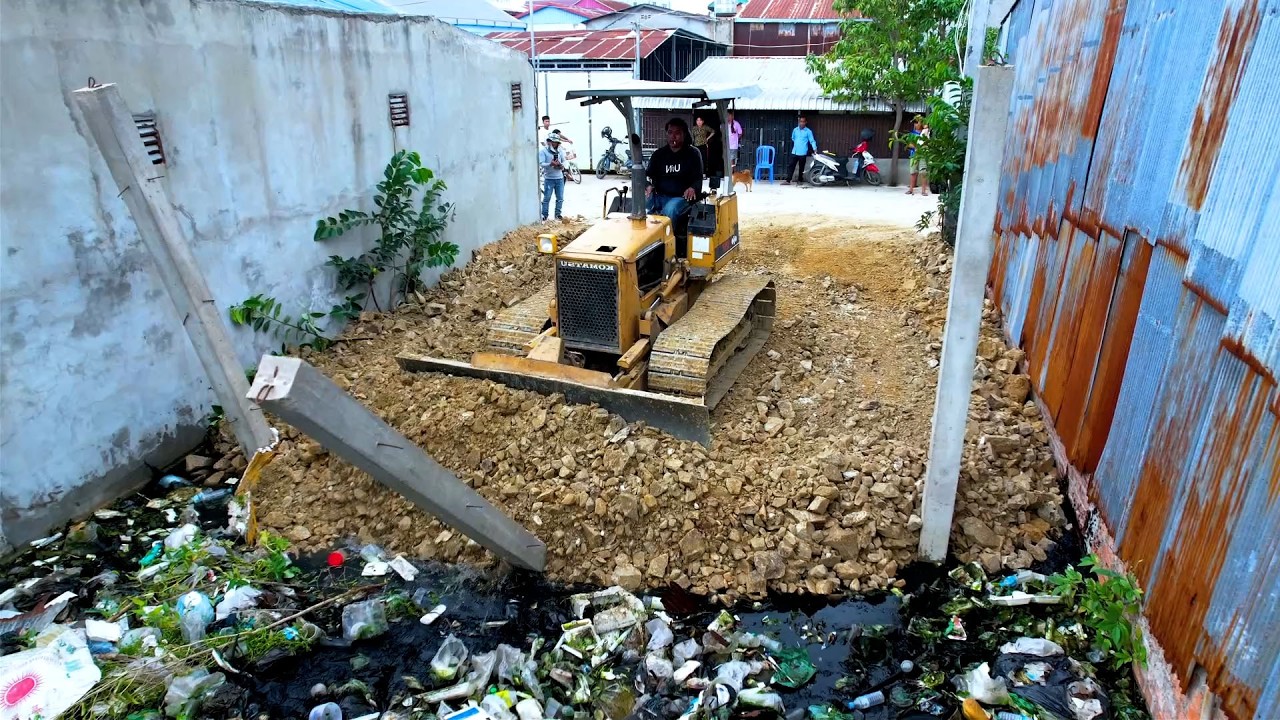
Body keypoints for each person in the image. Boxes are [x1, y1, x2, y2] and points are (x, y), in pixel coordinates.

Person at [646, 118, 703, 219]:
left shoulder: (693, 154)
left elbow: (698, 179)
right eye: (670, 132)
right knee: (640, 207)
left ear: (684, 134)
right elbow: (646, 174)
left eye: (677, 133)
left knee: (670, 210)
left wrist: (692, 188)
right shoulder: (658, 155)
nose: (673, 136)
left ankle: (665, 234)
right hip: (659, 196)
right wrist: (647, 185)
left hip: (681, 199)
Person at [783, 115, 817, 185]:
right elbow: (793, 138)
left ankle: (800, 180)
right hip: (794, 151)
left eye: (803, 122)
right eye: (800, 121)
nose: (802, 123)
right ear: (799, 122)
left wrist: (815, 149)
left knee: (801, 167)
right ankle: (788, 180)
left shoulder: (808, 131)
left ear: (806, 122)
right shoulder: (795, 130)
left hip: (803, 152)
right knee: (791, 166)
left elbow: (812, 141)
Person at [539, 134, 566, 222]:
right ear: (549, 141)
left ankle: (558, 215)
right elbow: (541, 164)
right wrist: (550, 164)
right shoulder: (543, 151)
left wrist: (561, 165)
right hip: (549, 178)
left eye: (556, 142)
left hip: (559, 178)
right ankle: (544, 215)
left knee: (560, 198)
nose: (554, 143)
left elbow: (564, 161)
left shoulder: (560, 151)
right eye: (552, 141)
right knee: (547, 198)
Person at [906, 117, 930, 196]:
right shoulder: (912, 134)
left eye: (919, 122)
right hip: (914, 154)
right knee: (913, 172)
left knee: (923, 172)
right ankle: (911, 189)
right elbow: (909, 144)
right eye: (916, 123)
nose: (917, 124)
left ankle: (923, 191)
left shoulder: (926, 132)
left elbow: (928, 143)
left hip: (923, 154)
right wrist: (916, 147)